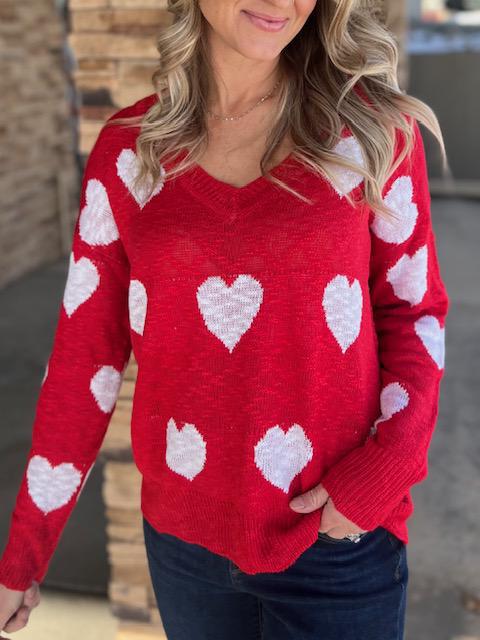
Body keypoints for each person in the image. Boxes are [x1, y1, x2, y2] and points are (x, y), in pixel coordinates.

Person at [0, 1, 450, 638]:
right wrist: (25, 552)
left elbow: (414, 313)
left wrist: (386, 469)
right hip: (185, 546)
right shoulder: (130, 154)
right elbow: (83, 361)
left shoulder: (371, 134)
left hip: (337, 544)